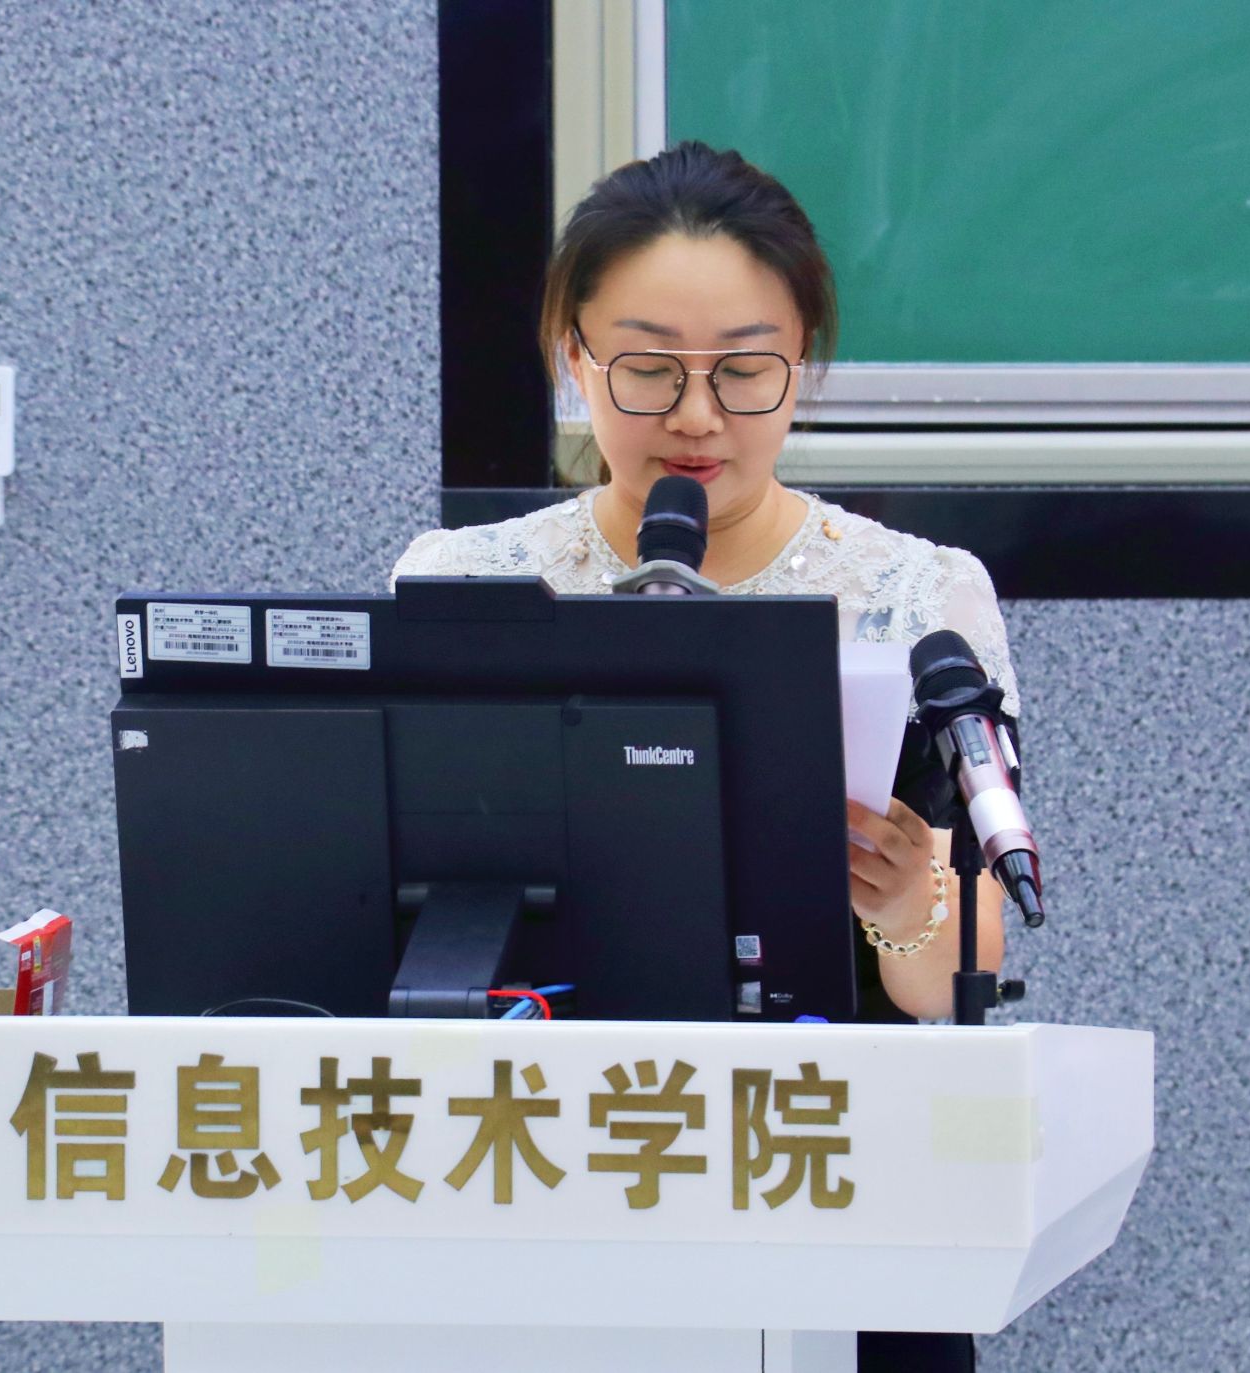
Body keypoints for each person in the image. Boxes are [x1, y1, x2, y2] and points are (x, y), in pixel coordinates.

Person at [393, 142, 1018, 1370]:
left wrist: (909, 907)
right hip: (536, 1170)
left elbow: (964, 969)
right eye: (646, 368)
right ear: (572, 354)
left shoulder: (915, 595)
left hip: (828, 1167)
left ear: (802, 363)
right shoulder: (458, 581)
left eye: (741, 369)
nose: (694, 416)